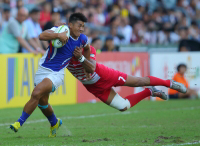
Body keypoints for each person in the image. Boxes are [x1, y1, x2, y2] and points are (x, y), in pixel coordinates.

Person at [10, 13, 93, 138]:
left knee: (36, 93)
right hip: (43, 69)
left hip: (57, 74)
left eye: (83, 26)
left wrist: (85, 64)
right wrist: (58, 35)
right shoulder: (60, 29)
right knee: (42, 103)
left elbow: (87, 49)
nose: (81, 29)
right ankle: (54, 123)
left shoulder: (83, 39)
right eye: (79, 26)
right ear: (70, 25)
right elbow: (41, 36)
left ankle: (19, 122)